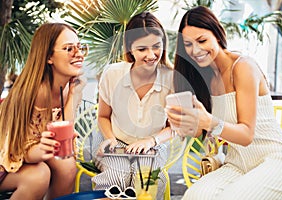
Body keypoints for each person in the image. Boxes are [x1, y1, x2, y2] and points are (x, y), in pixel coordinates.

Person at [166, 6, 282, 199]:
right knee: (194, 195)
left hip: (276, 160)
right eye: (188, 44)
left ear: (217, 34)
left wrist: (209, 121)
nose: (195, 50)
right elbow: (200, 133)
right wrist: (183, 122)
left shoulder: (243, 67)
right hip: (237, 163)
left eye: (202, 40)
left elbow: (246, 135)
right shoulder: (205, 78)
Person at [92, 11, 175, 200]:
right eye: (142, 49)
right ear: (130, 48)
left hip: (153, 144)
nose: (151, 55)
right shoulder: (112, 74)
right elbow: (103, 116)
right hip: (115, 141)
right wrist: (111, 139)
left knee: (146, 182)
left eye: (156, 46)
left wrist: (151, 141)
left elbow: (174, 127)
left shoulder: (171, 78)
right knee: (116, 178)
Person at [0, 22, 87, 200]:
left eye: (80, 47)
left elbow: (63, 138)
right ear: (49, 57)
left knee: (67, 164)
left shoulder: (70, 86)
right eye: (69, 48)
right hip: (6, 157)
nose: (79, 54)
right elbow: (17, 149)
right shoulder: (36, 92)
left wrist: (74, 95)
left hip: (31, 153)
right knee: (39, 175)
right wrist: (41, 150)